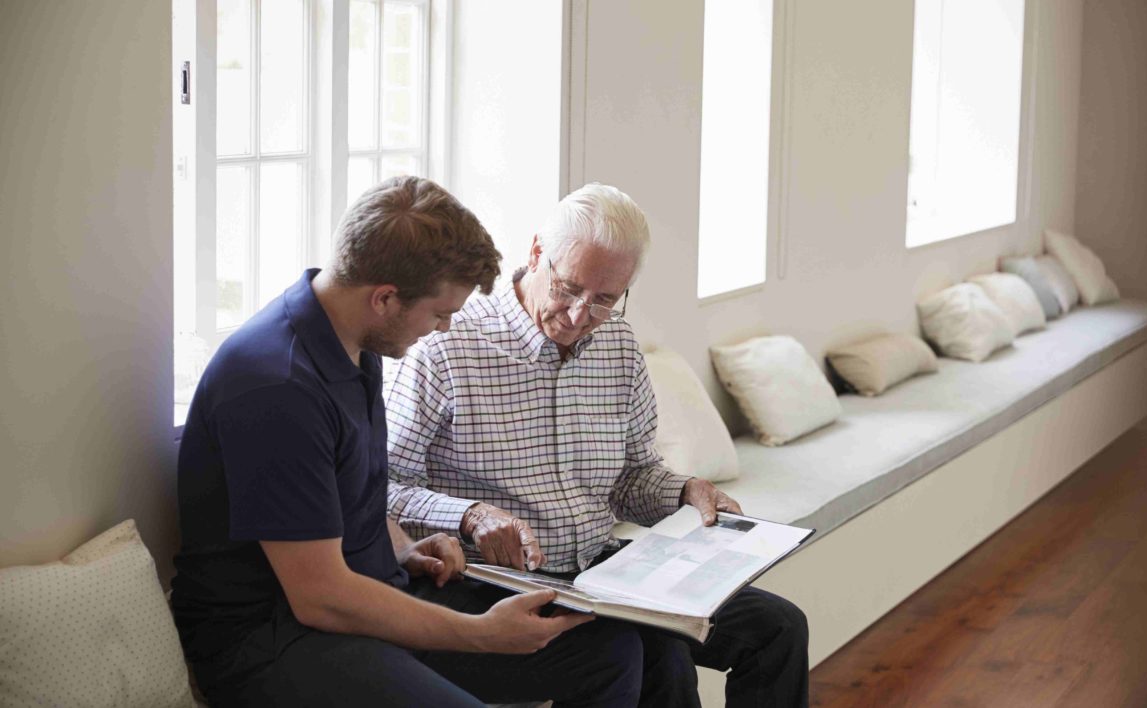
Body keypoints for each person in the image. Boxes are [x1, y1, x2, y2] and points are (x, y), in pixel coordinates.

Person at [170, 177, 643, 708]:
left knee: (609, 649)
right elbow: (319, 598)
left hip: (368, 594)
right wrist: (481, 632)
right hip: (277, 640)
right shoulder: (276, 384)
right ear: (386, 299)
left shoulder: (357, 343)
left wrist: (403, 546)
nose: (443, 329)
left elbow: (358, 494)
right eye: (440, 314)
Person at [385, 182, 809, 707]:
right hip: (491, 583)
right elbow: (381, 488)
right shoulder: (446, 346)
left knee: (778, 629)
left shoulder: (619, 345)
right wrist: (470, 514)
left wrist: (684, 492)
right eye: (569, 288)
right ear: (538, 252)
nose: (582, 315)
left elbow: (633, 474)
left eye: (605, 299)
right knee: (660, 656)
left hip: (603, 572)